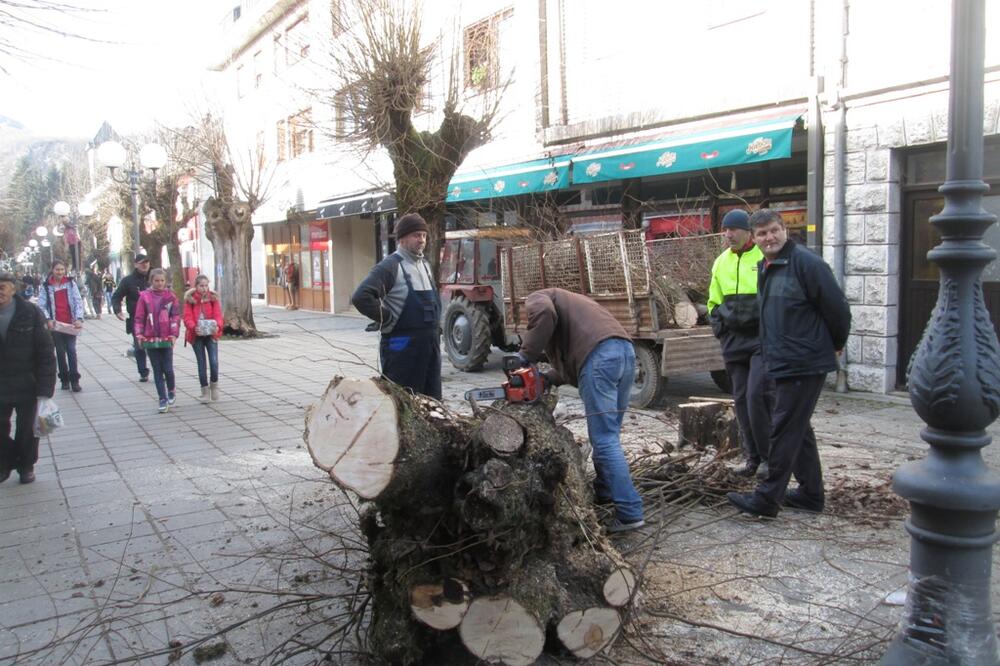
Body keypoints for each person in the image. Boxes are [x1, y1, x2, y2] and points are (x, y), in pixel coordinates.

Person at [726, 209, 851, 518]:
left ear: (784, 230)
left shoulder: (808, 265)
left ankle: (767, 499)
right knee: (798, 429)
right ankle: (811, 494)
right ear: (754, 239)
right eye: (762, 234)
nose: (769, 238)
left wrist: (834, 345)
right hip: (781, 360)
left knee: (783, 429)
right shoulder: (766, 266)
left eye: (773, 231)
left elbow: (839, 311)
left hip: (803, 361)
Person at [517, 287, 645, 533]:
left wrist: (525, 356)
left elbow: (543, 314)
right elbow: (578, 360)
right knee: (609, 435)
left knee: (604, 439)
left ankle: (630, 512)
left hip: (601, 357)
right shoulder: (573, 305)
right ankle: (606, 490)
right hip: (625, 353)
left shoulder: (538, 298)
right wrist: (547, 379)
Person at [707, 209, 772, 480]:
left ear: (748, 231)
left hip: (760, 341)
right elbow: (713, 302)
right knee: (742, 400)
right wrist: (720, 329)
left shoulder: (764, 258)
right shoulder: (720, 262)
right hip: (734, 343)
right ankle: (752, 458)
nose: (728, 234)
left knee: (758, 396)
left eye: (733, 229)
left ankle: (769, 457)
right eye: (725, 229)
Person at [351, 213, 442, 400]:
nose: (421, 240)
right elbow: (361, 297)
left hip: (429, 346)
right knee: (402, 404)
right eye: (416, 235)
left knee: (432, 404)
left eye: (424, 235)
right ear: (402, 238)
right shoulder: (389, 267)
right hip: (402, 348)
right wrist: (387, 317)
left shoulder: (425, 265)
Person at [0, 272, 55, 484]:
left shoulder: (30, 313)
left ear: (13, 289)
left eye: (3, 286)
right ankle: (5, 461)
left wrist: (45, 389)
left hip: (27, 382)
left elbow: (46, 352)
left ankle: (26, 465)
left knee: (28, 429)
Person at [133, 268, 181, 413]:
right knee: (157, 370)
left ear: (165, 281)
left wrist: (174, 334)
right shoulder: (145, 297)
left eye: (162, 281)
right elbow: (139, 318)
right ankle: (162, 398)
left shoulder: (171, 297)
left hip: (166, 338)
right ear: (151, 281)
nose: (159, 283)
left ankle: (171, 389)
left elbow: (175, 317)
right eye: (156, 281)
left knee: (168, 368)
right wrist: (139, 335)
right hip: (150, 338)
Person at [36, 259, 85, 392]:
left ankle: (74, 379)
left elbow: (78, 301)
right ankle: (64, 379)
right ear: (52, 270)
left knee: (71, 350)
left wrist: (79, 318)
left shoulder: (70, 283)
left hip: (70, 324)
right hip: (56, 325)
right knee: (60, 351)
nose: (60, 272)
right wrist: (48, 319)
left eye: (62, 269)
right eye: (57, 269)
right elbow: (41, 305)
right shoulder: (46, 286)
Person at [183, 274, 224, 402]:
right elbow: (187, 317)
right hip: (197, 335)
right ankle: (204, 390)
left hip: (211, 333)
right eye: (201, 286)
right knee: (201, 363)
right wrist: (193, 327)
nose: (204, 288)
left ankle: (214, 385)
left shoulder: (213, 299)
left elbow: (218, 315)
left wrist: (217, 325)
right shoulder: (190, 300)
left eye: (206, 285)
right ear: (196, 286)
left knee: (214, 361)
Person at [111, 255, 152, 382]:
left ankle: (159, 369)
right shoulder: (128, 281)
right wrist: (117, 310)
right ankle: (143, 372)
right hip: (137, 318)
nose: (144, 265)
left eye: (146, 262)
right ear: (135, 264)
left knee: (155, 346)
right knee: (139, 345)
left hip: (155, 318)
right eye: (141, 263)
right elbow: (116, 296)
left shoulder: (155, 277)